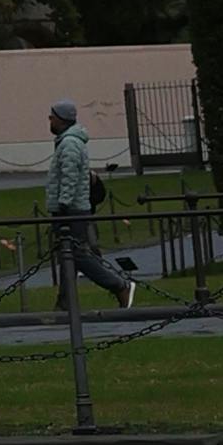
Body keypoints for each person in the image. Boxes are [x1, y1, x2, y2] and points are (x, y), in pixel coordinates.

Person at [42, 103, 140, 311]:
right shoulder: (68, 141)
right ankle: (65, 303)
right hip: (73, 208)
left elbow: (70, 177)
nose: (49, 120)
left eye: (52, 117)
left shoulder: (69, 143)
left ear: (61, 119)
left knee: (77, 255)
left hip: (71, 210)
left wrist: (63, 204)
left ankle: (119, 285)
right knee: (68, 255)